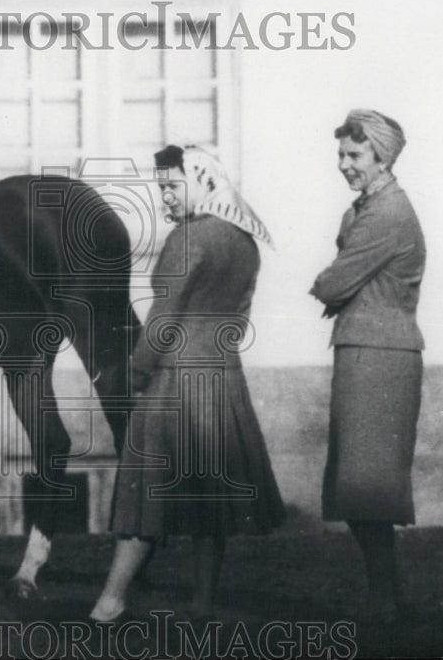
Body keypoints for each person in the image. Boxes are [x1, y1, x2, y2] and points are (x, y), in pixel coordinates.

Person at [89, 145, 285, 622]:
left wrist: (137, 373)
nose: (166, 198)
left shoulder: (188, 237)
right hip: (221, 380)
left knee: (145, 495)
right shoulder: (244, 242)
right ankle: (202, 603)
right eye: (161, 190)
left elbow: (163, 317)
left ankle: (110, 601)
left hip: (172, 381)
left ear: (201, 180)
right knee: (209, 502)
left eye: (172, 187)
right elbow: (239, 318)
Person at [309, 109, 425, 622]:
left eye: (354, 154)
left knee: (367, 489)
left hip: (379, 357)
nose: (344, 164)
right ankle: (390, 595)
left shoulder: (385, 215)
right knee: (359, 489)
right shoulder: (368, 210)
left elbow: (333, 284)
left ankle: (384, 600)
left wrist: (329, 283)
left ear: (383, 157)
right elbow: (343, 280)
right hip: (368, 352)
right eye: (341, 154)